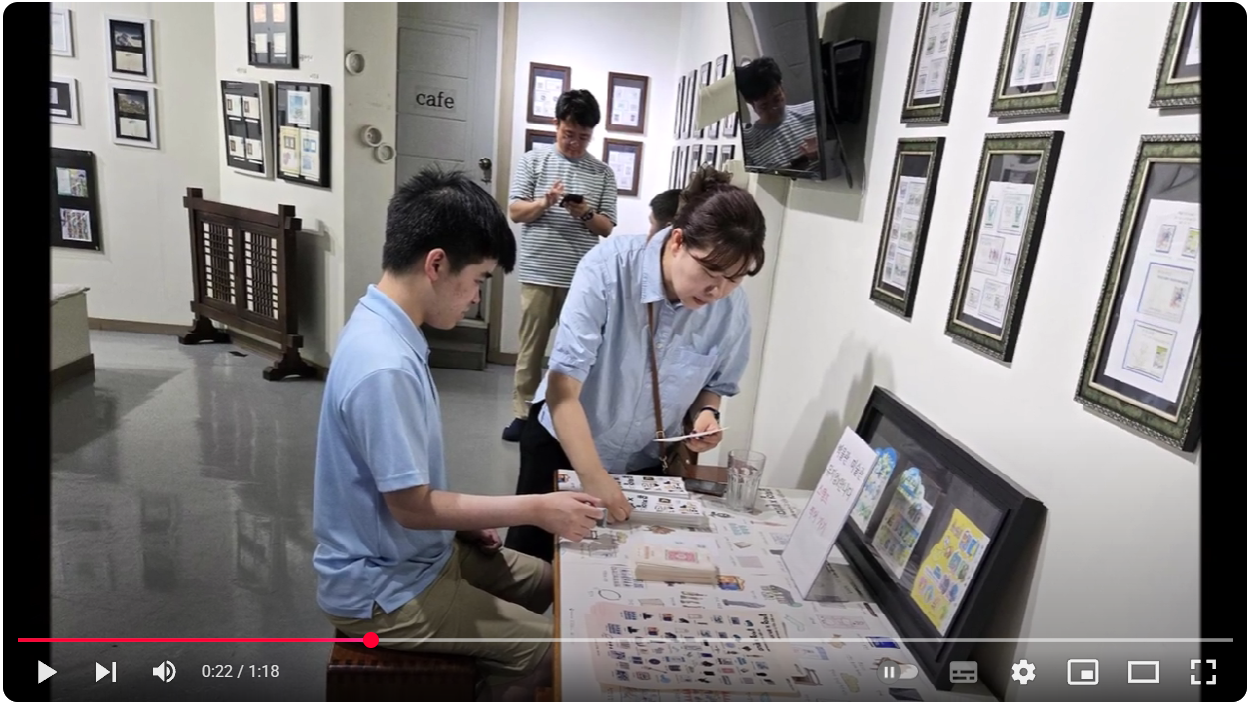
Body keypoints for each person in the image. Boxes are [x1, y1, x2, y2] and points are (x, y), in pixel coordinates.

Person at [312, 168, 604, 702]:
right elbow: (411, 507)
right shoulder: (384, 365)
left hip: (418, 554)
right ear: (436, 264)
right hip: (381, 590)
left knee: (553, 580)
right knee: (560, 652)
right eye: (479, 280)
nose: (475, 298)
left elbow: (406, 491)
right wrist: (535, 509)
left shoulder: (386, 326)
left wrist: (464, 526)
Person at [504, 166, 767, 563]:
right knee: (534, 567)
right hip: (563, 449)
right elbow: (563, 390)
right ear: (677, 241)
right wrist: (593, 476)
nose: (718, 290)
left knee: (622, 572)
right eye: (710, 271)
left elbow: (713, 383)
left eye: (734, 278)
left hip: (644, 462)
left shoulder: (731, 308)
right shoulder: (608, 268)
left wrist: (706, 414)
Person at [503, 89, 619, 442]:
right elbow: (515, 211)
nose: (575, 143)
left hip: (583, 279)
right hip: (538, 272)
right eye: (569, 134)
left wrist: (584, 213)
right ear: (556, 124)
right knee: (531, 349)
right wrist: (545, 202)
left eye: (584, 137)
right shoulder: (533, 161)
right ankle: (523, 414)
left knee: (577, 353)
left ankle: (565, 419)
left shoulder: (602, 173)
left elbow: (607, 228)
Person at [735, 56, 819, 171]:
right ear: (750, 103)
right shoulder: (747, 143)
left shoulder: (814, 112)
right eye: (764, 106)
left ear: (782, 87)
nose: (773, 109)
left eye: (777, 99)